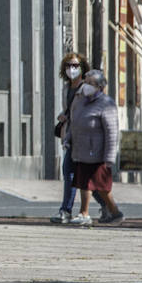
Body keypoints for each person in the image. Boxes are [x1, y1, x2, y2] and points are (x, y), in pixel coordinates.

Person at [68, 68, 123, 226]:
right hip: (81, 149)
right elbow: (74, 122)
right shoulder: (79, 100)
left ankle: (84, 213)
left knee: (91, 185)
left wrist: (109, 157)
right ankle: (115, 213)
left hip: (97, 153)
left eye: (91, 83)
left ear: (100, 87)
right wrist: (68, 139)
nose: (87, 86)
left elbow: (112, 132)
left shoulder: (106, 104)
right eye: (86, 82)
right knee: (99, 188)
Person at [51, 53, 90, 224]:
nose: (71, 69)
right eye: (68, 65)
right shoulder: (66, 88)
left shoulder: (86, 88)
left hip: (83, 137)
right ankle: (67, 211)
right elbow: (69, 109)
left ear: (82, 68)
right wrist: (64, 115)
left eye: (75, 65)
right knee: (70, 173)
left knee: (77, 174)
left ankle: (93, 210)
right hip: (70, 136)